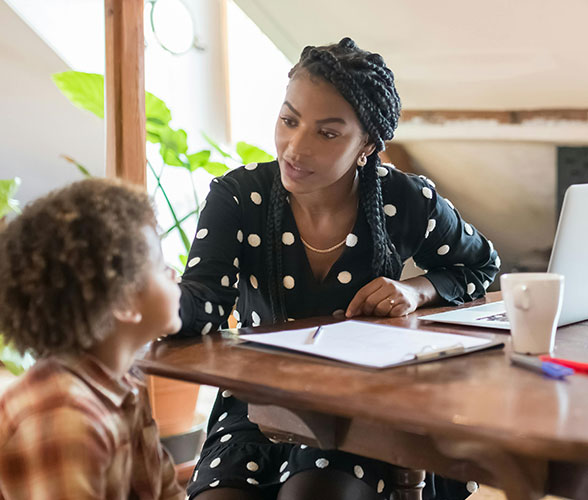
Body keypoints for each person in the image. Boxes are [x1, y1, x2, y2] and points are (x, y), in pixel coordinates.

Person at [179, 38, 498, 500]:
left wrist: (418, 291)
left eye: (326, 133)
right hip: (256, 407)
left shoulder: (405, 199)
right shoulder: (237, 196)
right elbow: (204, 299)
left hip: (362, 411)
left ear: (367, 143)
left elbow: (479, 263)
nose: (295, 147)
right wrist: (157, 299)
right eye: (289, 120)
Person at [0, 179, 185, 500]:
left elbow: (163, 491)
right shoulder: (62, 420)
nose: (174, 274)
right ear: (123, 302)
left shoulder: (123, 385)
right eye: (161, 266)